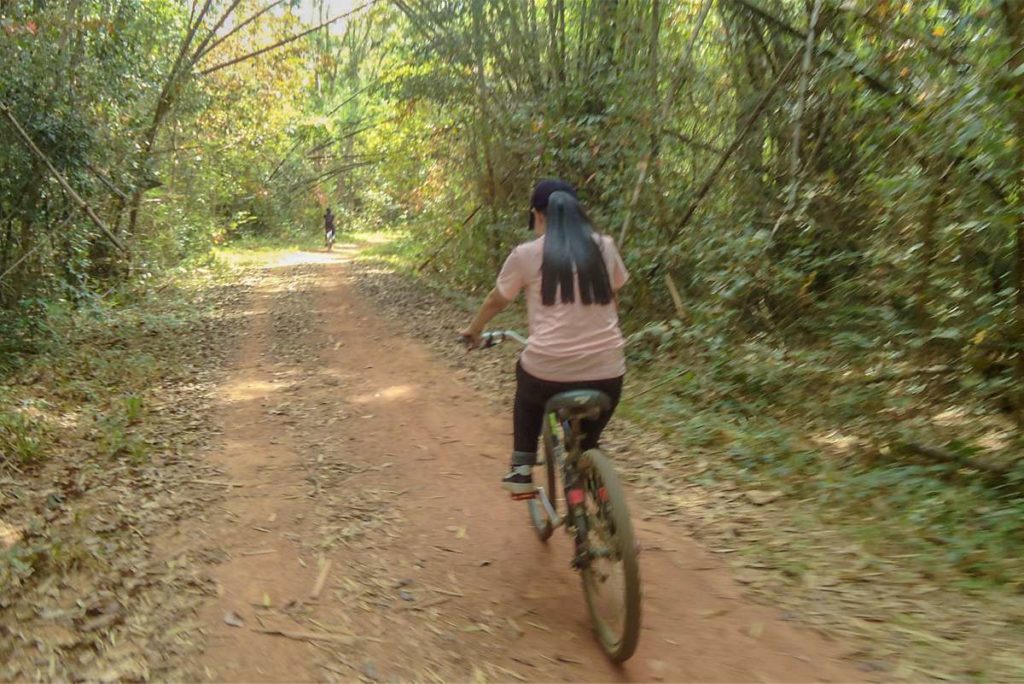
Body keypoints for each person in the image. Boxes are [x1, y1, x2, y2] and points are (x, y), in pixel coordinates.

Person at [461, 179, 629, 495]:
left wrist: (474, 331)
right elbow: (613, 298)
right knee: (588, 441)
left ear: (538, 215)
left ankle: (522, 469)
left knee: (526, 385)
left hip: (548, 371)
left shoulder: (526, 254)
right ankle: (594, 480)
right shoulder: (604, 246)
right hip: (609, 371)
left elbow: (497, 300)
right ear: (579, 213)